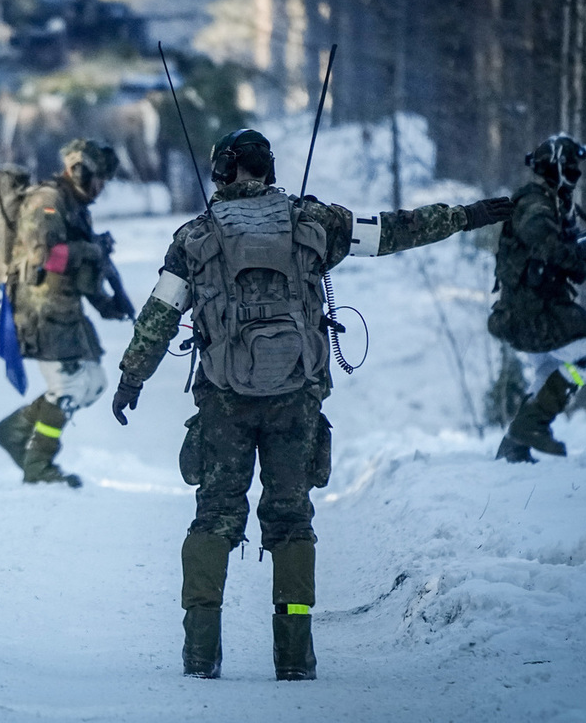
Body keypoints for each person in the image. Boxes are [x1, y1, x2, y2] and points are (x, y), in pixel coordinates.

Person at [110, 128, 513, 681]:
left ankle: (201, 653)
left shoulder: (194, 237)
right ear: (268, 169)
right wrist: (467, 215)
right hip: (296, 397)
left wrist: (131, 378)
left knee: (215, 515)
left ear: (222, 173)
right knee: (292, 519)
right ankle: (294, 657)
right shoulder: (315, 224)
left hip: (224, 400)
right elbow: (393, 232)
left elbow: (160, 315)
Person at [0, 138, 128, 488]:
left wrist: (108, 302)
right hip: (39, 310)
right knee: (67, 387)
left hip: (65, 307)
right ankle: (38, 463)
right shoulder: (46, 201)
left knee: (93, 383)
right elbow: (47, 257)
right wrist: (91, 250)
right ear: (79, 171)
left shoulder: (75, 206)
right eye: (99, 179)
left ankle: (14, 432)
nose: (101, 188)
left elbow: (82, 268)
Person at [488, 133, 586, 463]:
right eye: (573, 172)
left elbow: (558, 245)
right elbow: (543, 240)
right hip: (530, 315)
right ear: (557, 170)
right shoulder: (535, 204)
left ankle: (513, 447)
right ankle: (529, 426)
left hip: (529, 312)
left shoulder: (549, 205)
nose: (576, 179)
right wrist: (578, 258)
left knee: (550, 370)